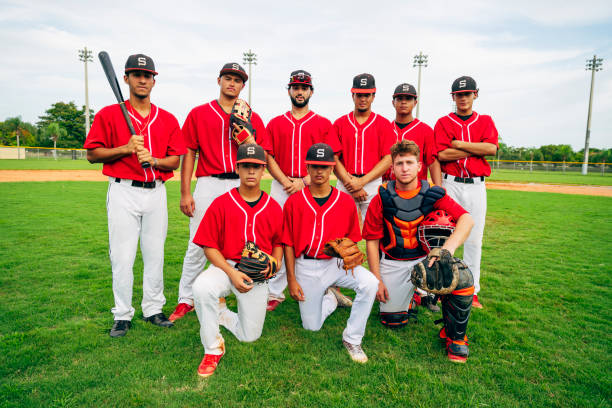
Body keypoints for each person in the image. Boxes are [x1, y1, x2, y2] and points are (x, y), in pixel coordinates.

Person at [84, 54, 186, 337]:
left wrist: (153, 160)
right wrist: (125, 149)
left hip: (156, 193)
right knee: (123, 256)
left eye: (147, 75)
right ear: (126, 79)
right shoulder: (109, 114)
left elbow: (174, 162)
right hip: (123, 191)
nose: (142, 79)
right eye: (136, 74)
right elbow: (92, 154)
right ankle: (122, 314)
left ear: (154, 80)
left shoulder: (167, 119)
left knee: (155, 254)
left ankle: (153, 309)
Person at [169, 63, 268, 322]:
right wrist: (185, 192)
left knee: (240, 243)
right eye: (228, 78)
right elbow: (189, 151)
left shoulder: (253, 116)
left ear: (243, 85)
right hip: (208, 183)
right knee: (197, 243)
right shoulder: (199, 113)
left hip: (240, 184)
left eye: (237, 79)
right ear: (219, 80)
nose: (232, 83)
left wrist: (248, 137)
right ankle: (185, 298)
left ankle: (233, 291)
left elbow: (262, 153)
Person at [362, 139, 474, 361]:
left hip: (426, 259)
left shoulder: (433, 193)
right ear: (392, 168)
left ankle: (455, 338)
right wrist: (377, 280)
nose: (404, 168)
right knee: (393, 321)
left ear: (419, 166)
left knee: (461, 278)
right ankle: (414, 297)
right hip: (393, 261)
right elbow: (372, 242)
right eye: (399, 163)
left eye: (409, 162)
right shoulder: (382, 197)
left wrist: (446, 250)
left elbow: (467, 219)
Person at [191, 144, 283, 377]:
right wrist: (231, 273)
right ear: (237, 168)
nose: (251, 171)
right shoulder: (222, 202)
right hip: (225, 266)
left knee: (249, 336)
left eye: (256, 166)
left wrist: (277, 262)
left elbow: (279, 242)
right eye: (246, 166)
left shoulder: (273, 207)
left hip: (256, 272)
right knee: (202, 287)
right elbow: (208, 246)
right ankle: (212, 348)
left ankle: (221, 313)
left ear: (264, 170)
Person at [263, 70, 351, 311]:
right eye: (295, 87)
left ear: (311, 91)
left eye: (304, 87)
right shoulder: (275, 122)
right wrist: (285, 181)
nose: (299, 91)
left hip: (312, 185)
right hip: (282, 185)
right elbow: (268, 156)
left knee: (316, 234)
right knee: (277, 237)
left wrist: (304, 180)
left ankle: (328, 284)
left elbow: (331, 157)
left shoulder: (323, 123)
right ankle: (274, 291)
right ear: (289, 90)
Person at [283, 143, 379, 363]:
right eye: (315, 166)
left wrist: (347, 251)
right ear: (307, 167)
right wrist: (291, 279)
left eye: (324, 166)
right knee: (311, 327)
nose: (319, 171)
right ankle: (332, 299)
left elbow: (353, 238)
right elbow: (287, 242)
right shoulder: (294, 202)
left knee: (370, 283)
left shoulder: (345, 201)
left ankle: (352, 339)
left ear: (332, 168)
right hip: (306, 266)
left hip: (335, 264)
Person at [434, 76, 498, 309]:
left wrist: (459, 145)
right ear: (453, 97)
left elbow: (490, 148)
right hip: (451, 183)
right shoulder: (443, 122)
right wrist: (475, 149)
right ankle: (440, 287)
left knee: (474, 240)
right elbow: (441, 155)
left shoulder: (485, 120)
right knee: (443, 235)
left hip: (476, 186)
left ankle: (472, 292)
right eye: (459, 94)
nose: (463, 98)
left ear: (475, 95)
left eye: (467, 94)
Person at [388, 83, 442, 312]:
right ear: (393, 101)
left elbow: (431, 160)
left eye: (408, 98)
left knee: (423, 238)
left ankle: (424, 290)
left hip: (419, 193)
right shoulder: (385, 127)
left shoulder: (425, 129)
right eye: (399, 98)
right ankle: (397, 285)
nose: (403, 102)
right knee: (392, 238)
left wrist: (437, 188)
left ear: (415, 102)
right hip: (391, 191)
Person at [328, 73, 396, 225]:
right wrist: (350, 183)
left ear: (373, 96)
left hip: (372, 183)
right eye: (359, 94)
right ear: (352, 95)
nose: (363, 99)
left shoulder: (384, 124)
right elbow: (333, 157)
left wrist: (362, 182)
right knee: (341, 231)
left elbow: (388, 158)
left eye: (367, 95)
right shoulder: (340, 123)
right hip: (345, 181)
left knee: (375, 231)